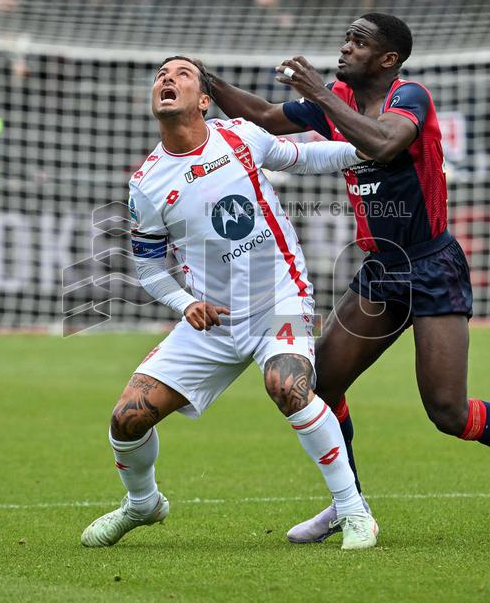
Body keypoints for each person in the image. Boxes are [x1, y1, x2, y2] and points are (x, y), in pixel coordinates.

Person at [209, 13, 490, 544]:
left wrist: (320, 93)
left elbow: (385, 144)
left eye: (359, 43)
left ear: (387, 59)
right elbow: (267, 116)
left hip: (431, 266)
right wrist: (208, 80)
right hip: (380, 270)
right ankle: (349, 502)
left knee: (448, 412)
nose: (346, 48)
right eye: (346, 38)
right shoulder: (336, 96)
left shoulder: (410, 97)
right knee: (320, 385)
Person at [80, 56, 380, 550]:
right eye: (160, 76)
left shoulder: (240, 136)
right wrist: (182, 303)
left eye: (180, 74)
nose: (166, 80)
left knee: (287, 386)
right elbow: (151, 266)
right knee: (127, 418)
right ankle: (142, 504)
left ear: (204, 99)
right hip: (212, 318)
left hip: (280, 296)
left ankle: (352, 510)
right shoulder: (147, 183)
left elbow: (306, 158)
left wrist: (368, 147)